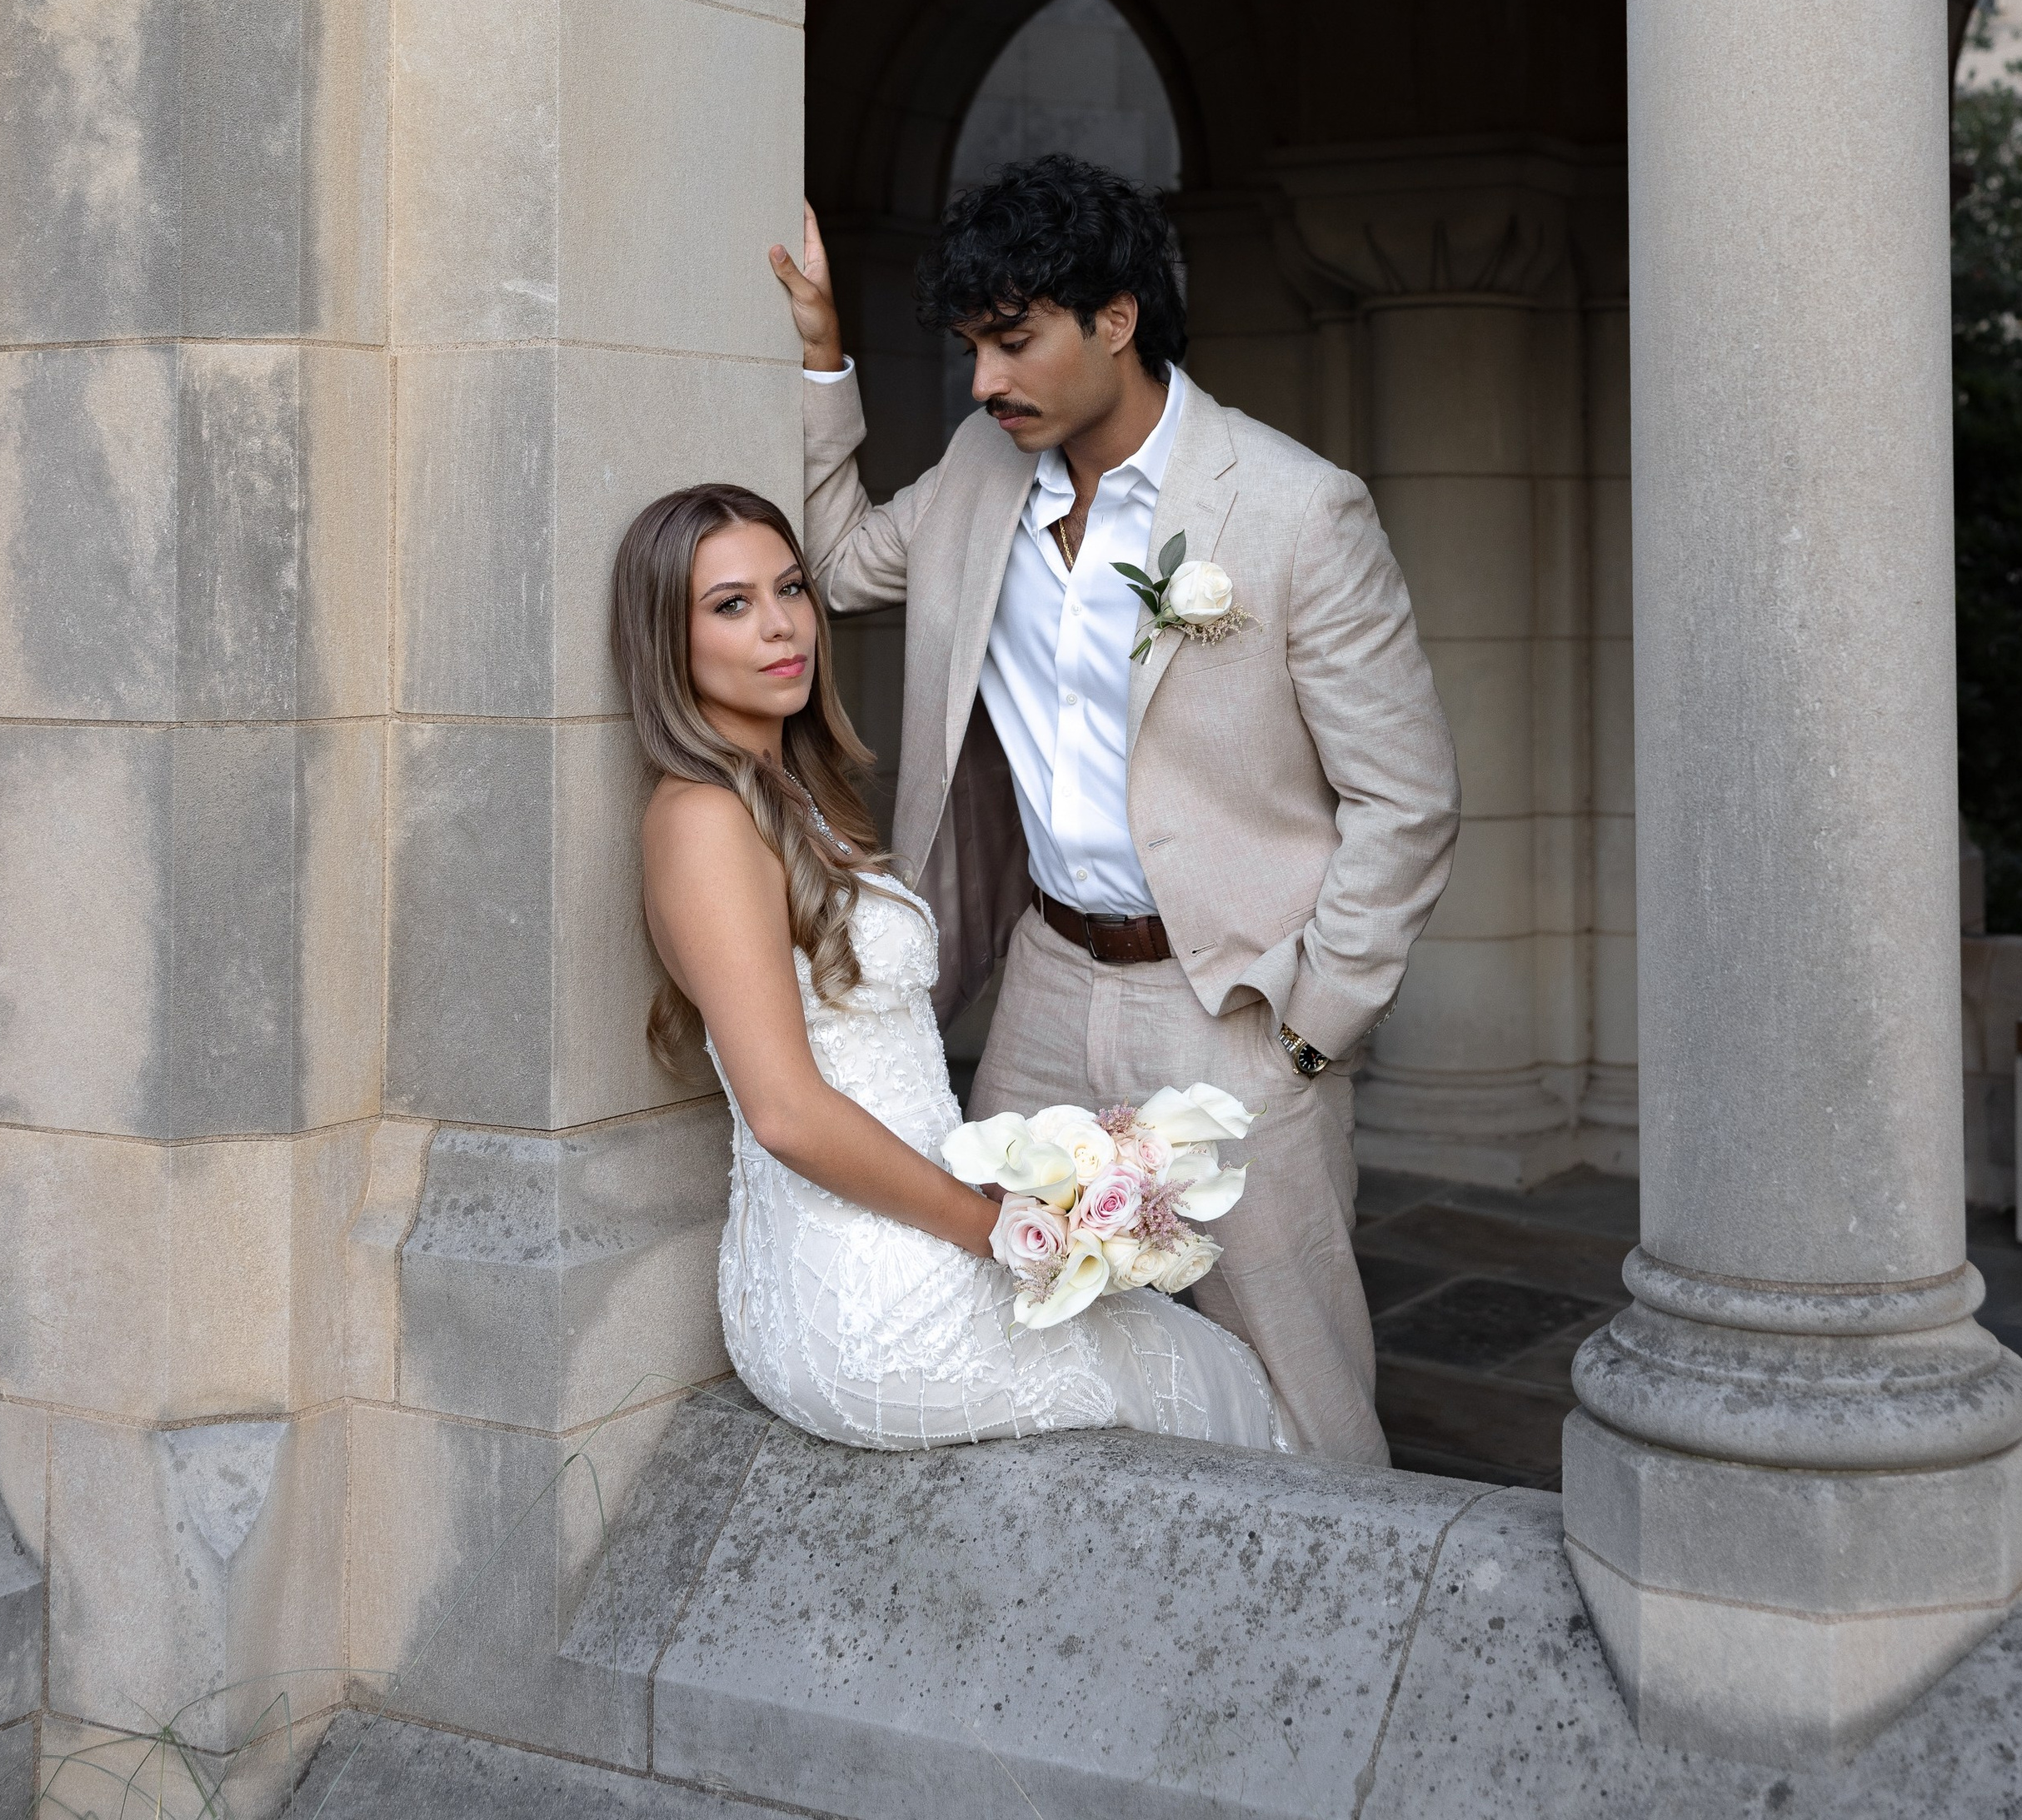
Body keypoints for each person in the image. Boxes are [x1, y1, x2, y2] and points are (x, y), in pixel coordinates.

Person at [770, 156, 1460, 1465]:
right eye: (974, 345)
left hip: (1235, 1010)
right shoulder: (983, 469)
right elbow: (839, 562)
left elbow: (1407, 798)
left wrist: (1311, 1030)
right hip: (1042, 983)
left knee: (1299, 1381)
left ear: (1119, 319)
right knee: (1020, 1329)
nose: (983, 382)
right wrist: (820, 360)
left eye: (1014, 341)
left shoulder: (1296, 508)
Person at [616, 478, 1282, 1452]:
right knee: (1208, 1375)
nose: (780, 626)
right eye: (731, 605)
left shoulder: (787, 797)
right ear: (667, 645)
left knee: (1194, 1363)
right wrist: (998, 1229)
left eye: (791, 589)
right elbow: (785, 1111)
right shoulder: (704, 819)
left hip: (907, 1236)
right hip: (866, 1300)